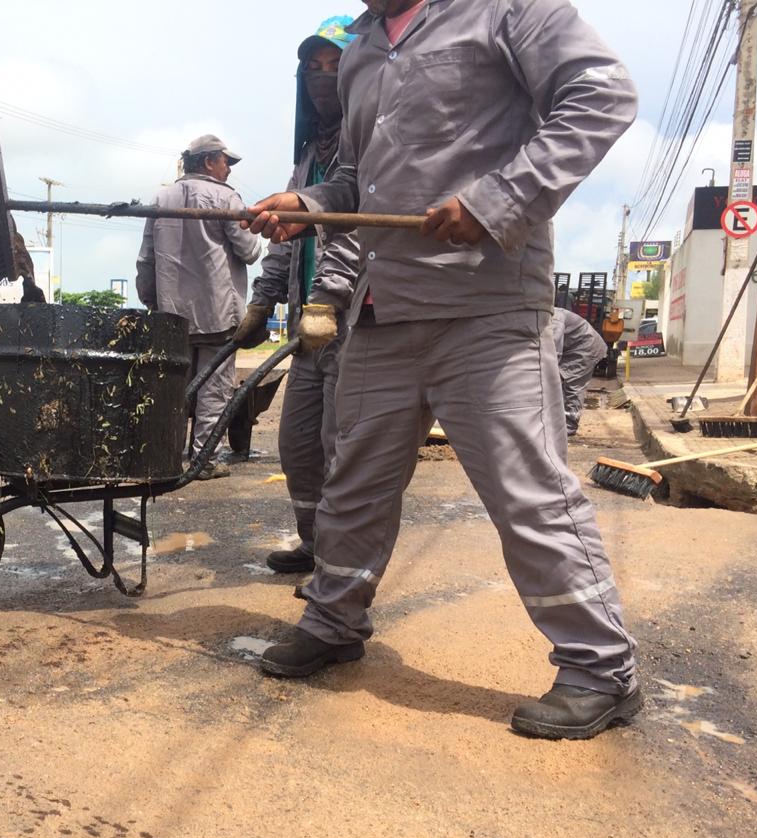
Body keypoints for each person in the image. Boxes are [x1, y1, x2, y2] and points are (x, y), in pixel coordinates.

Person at [242, 0, 641, 740]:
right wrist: (309, 203)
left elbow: (602, 97)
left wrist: (499, 199)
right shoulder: (362, 45)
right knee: (352, 487)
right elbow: (362, 181)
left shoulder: (510, 12)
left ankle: (601, 668)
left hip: (485, 306)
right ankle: (334, 621)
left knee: (529, 495)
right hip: (383, 306)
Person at [236, 16, 361, 573]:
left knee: (342, 450)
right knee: (298, 445)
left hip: (352, 323)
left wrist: (326, 299)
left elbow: (358, 228)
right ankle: (313, 544)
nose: (321, 78)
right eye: (313, 68)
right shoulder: (311, 153)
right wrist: (263, 301)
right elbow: (287, 233)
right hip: (307, 329)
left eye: (334, 66)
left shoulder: (370, 148)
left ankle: (338, 564)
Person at [137, 135, 262, 480]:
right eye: (226, 163)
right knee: (214, 390)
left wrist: (152, 300)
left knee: (176, 388)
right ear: (209, 162)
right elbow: (250, 251)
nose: (228, 170)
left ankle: (169, 457)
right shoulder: (226, 198)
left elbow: (146, 258)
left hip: (172, 316)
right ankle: (205, 459)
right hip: (217, 313)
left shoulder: (162, 197)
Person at [553, 306, 607, 436]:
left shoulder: (555, 319)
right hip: (573, 347)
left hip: (586, 347)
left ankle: (569, 426)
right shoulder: (545, 316)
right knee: (559, 384)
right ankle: (557, 421)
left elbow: (554, 353)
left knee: (573, 385)